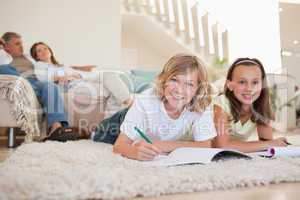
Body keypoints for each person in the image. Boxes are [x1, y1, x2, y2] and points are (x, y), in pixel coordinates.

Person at [106, 54, 217, 161]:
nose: (179, 90)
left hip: (144, 127)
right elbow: (119, 146)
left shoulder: (201, 103)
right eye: (174, 80)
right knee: (99, 133)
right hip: (116, 123)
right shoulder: (145, 100)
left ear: (198, 89)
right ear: (164, 81)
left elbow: (205, 145)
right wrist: (134, 152)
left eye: (189, 84)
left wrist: (162, 145)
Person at [0, 32, 79, 138]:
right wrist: (2, 47)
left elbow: (52, 65)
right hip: (20, 81)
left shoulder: (29, 58)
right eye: (17, 44)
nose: (22, 46)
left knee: (51, 86)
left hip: (36, 83)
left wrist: (80, 68)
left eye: (21, 43)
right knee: (3, 68)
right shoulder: (5, 57)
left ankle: (56, 128)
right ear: (7, 47)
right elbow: (3, 63)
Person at [30, 41, 133, 118]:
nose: (43, 51)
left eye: (45, 48)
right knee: (111, 89)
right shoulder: (40, 65)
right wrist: (64, 77)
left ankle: (116, 114)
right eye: (39, 51)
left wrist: (76, 72)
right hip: (74, 86)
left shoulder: (60, 66)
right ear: (36, 56)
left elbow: (73, 72)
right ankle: (129, 104)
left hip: (82, 79)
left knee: (109, 76)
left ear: (50, 50)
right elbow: (43, 79)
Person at [212, 57, 289, 152]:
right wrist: (270, 143)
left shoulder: (261, 106)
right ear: (230, 85)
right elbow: (222, 146)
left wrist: (271, 143)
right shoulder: (221, 104)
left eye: (255, 82)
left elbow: (266, 142)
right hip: (194, 146)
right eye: (242, 82)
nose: (249, 88)